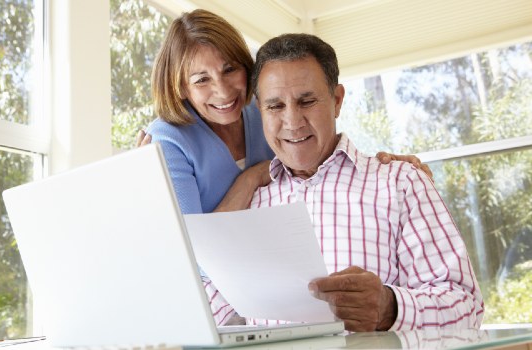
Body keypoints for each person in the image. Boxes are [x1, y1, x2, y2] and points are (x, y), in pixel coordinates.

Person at [205, 33, 484, 331]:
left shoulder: (400, 183)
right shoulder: (249, 203)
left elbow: (466, 305)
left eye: (307, 101)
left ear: (337, 100)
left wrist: (390, 308)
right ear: (260, 108)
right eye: (275, 106)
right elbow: (205, 312)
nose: (292, 121)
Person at [141, 9, 432, 216]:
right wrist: (251, 178)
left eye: (230, 69)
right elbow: (194, 257)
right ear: (180, 87)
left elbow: (321, 158)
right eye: (201, 79)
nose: (223, 91)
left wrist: (386, 169)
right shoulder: (168, 141)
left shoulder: (266, 110)